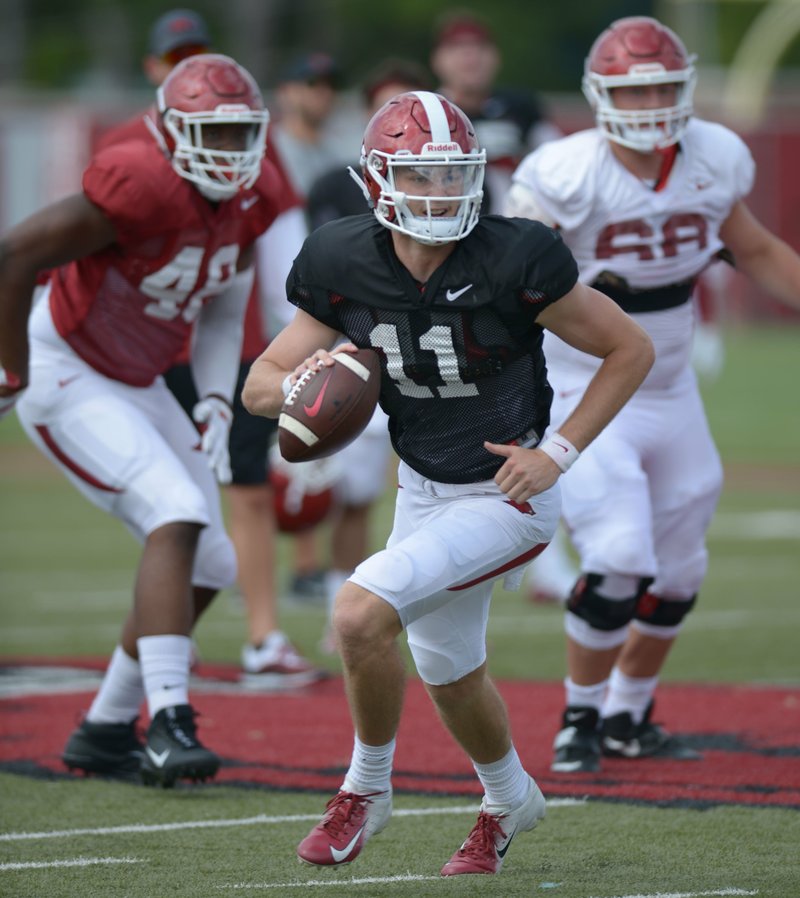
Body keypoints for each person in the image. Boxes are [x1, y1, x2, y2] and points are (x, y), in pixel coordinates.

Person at [241, 90, 654, 874]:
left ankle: (366, 789)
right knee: (449, 672)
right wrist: (304, 383)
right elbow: (262, 381)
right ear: (378, 181)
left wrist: (558, 452)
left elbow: (629, 348)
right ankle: (510, 799)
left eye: (452, 175)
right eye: (421, 177)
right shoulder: (341, 259)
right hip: (423, 490)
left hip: (508, 492)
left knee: (360, 615)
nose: (440, 194)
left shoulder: (515, 254)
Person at [505, 15, 800, 773]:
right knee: (620, 555)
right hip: (585, 386)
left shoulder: (714, 158)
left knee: (680, 571)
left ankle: (629, 717)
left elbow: (756, 247)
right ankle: (579, 717)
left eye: (664, 87)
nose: (651, 105)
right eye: (634, 92)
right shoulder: (563, 173)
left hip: (672, 392)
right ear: (601, 96)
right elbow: (507, 281)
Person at [0, 53, 290, 785]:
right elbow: (12, 255)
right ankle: (168, 719)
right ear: (168, 132)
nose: (229, 152)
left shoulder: (253, 198)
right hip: (67, 367)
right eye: (211, 134)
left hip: (141, 379)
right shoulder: (137, 184)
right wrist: (11, 367)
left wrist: (219, 396)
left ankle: (102, 728)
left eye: (239, 134)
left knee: (217, 563)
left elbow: (227, 309)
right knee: (179, 511)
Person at [98, 9, 322, 687]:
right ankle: (168, 631)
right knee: (165, 496)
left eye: (197, 54)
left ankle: (262, 636)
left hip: (232, 342)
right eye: (175, 57)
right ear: (153, 69)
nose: (184, 65)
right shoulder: (123, 147)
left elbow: (278, 237)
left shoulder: (249, 136)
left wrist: (297, 337)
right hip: (147, 350)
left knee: (247, 489)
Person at [304, 58, 432, 653]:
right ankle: (344, 598)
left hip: (438, 354)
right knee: (353, 492)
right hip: (364, 351)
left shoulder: (449, 179)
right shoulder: (335, 189)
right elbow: (321, 296)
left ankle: (418, 603)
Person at [266, 50, 346, 601]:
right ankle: (298, 561)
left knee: (323, 425)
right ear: (285, 89)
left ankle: (309, 563)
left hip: (321, 302)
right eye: (308, 82)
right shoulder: (271, 150)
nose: (318, 92)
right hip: (276, 301)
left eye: (326, 84)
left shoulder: (336, 156)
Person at [430, 10, 561, 216]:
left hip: (515, 223)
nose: (470, 57)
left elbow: (558, 162)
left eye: (479, 47)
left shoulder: (520, 107)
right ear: (437, 59)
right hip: (448, 219)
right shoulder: (425, 113)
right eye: (458, 48)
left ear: (496, 57)